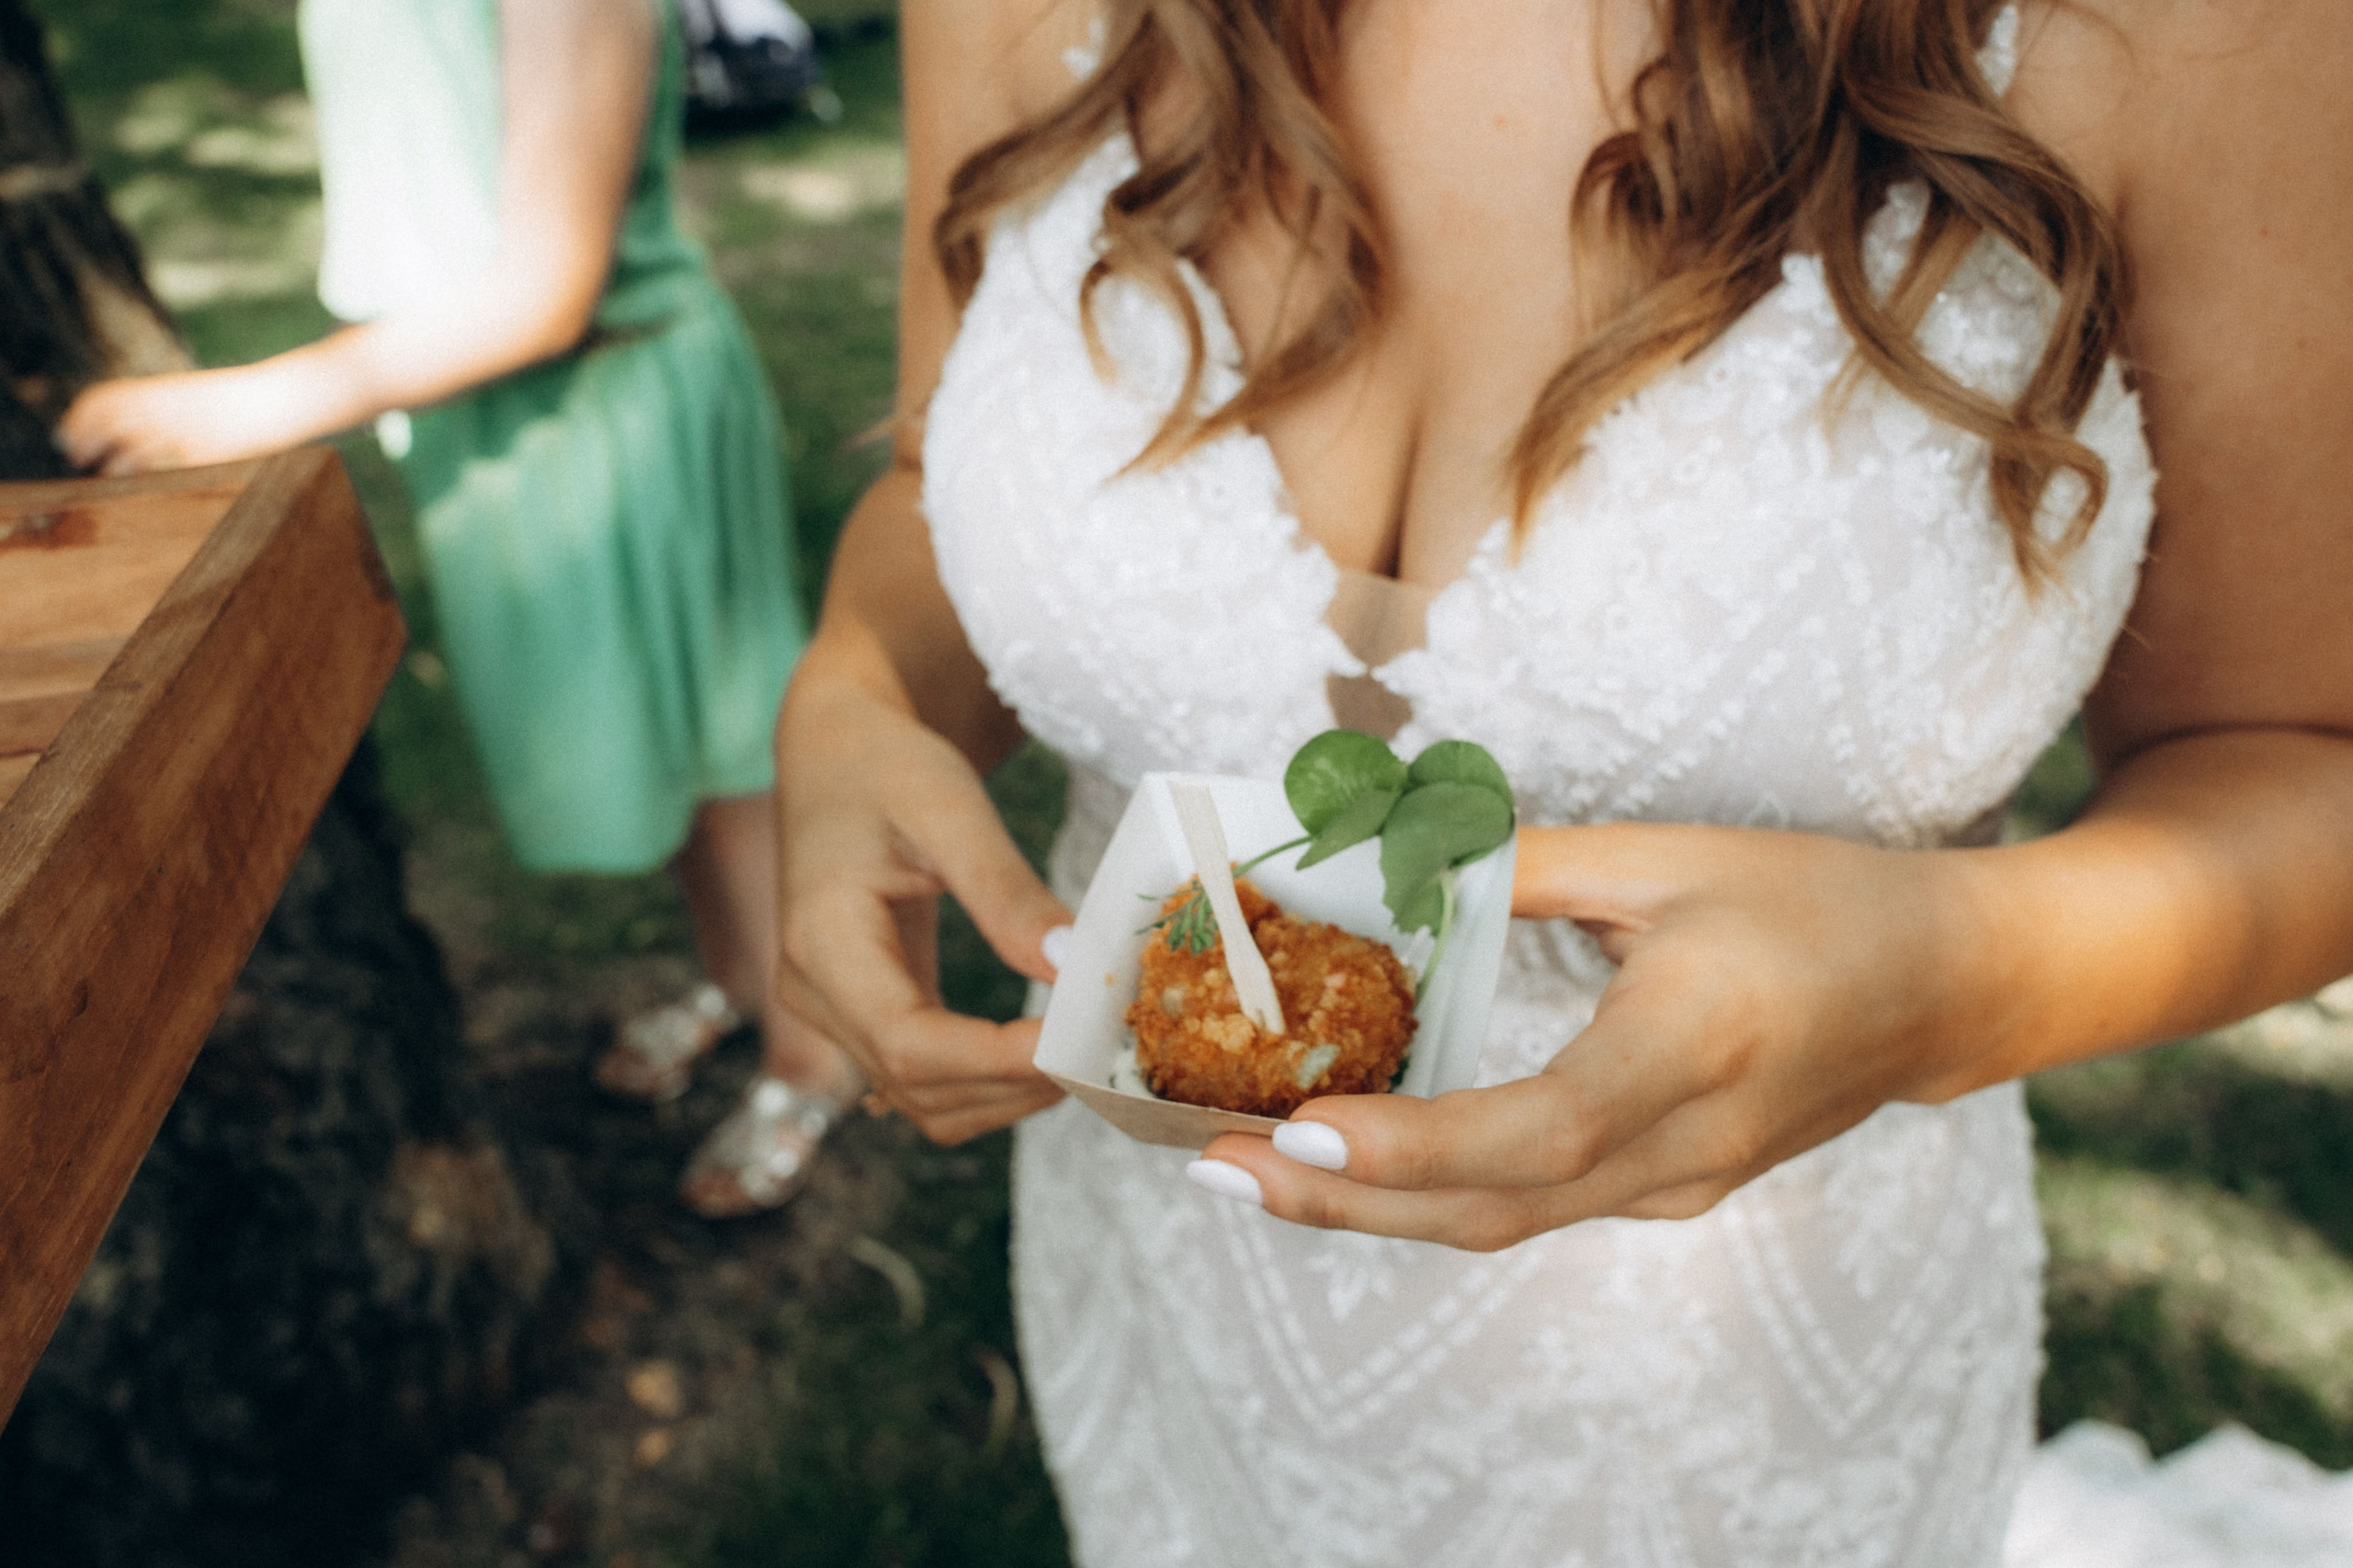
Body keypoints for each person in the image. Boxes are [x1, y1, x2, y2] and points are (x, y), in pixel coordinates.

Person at [771, 0, 2353, 1561]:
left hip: (1751, 1414)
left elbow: (2299, 755)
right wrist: (858, 690)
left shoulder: (2206, 35)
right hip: (1180, 1303)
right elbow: (939, 473)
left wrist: (1951, 975)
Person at [58, 0, 860, 1218]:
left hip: (616, 391)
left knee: (733, 749)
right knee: (668, 744)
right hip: (496, 419)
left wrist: (244, 405)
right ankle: (741, 976)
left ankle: (817, 1050)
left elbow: (550, 289)